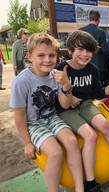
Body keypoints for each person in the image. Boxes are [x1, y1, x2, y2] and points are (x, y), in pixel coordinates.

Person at [56, 31, 109, 192]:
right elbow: (55, 96)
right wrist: (70, 95)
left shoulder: (92, 69)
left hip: (85, 105)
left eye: (88, 50)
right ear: (70, 51)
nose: (85, 54)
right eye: (80, 50)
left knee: (104, 125)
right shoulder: (61, 69)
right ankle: (91, 184)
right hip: (66, 110)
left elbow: (99, 94)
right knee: (90, 136)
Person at [9, 33, 84, 192]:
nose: (47, 60)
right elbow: (19, 115)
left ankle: (80, 188)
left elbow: (65, 103)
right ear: (29, 56)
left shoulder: (55, 76)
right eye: (41, 55)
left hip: (52, 117)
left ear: (57, 57)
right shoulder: (22, 81)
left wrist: (65, 84)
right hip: (34, 124)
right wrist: (27, 142)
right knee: (55, 153)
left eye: (51, 55)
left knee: (71, 141)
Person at [80, 9, 109, 86]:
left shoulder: (81, 31)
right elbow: (105, 51)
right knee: (98, 88)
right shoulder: (100, 32)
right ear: (98, 19)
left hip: (84, 64)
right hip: (98, 66)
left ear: (89, 18)